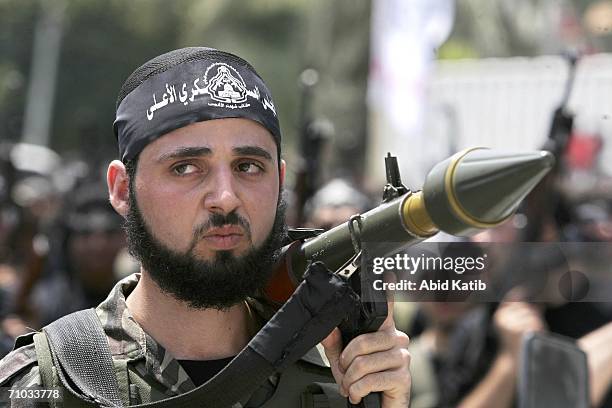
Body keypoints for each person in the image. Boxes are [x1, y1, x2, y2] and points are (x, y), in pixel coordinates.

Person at [0, 47, 410, 407]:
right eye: (186, 168)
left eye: (248, 167)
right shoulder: (55, 382)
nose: (226, 197)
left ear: (280, 182)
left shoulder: (339, 377)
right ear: (123, 189)